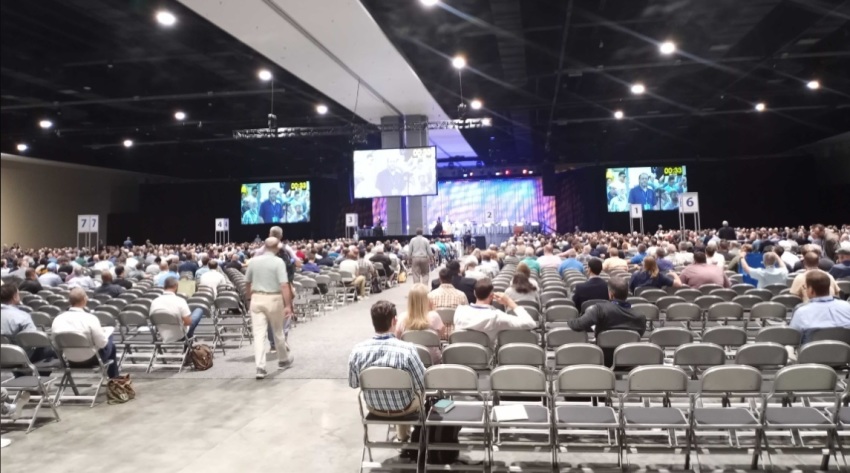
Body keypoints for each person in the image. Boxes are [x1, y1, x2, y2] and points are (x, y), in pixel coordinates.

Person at [349, 300, 425, 442]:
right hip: (405, 407)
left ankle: (402, 436)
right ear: (394, 320)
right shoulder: (407, 350)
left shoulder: (357, 351)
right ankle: (409, 436)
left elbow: (354, 383)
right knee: (416, 391)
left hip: (374, 407)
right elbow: (422, 383)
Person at [568, 277, 647, 366]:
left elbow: (578, 325)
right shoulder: (640, 316)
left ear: (611, 294)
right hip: (629, 361)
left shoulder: (600, 309)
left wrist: (569, 320)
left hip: (602, 359)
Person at [245, 237, 294, 379]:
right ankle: (283, 360)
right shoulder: (278, 262)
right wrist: (288, 305)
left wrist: (249, 298)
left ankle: (260, 367)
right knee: (278, 331)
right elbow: (284, 285)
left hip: (257, 298)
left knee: (258, 335)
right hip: (274, 299)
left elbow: (247, 282)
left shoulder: (253, 261)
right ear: (277, 248)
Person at [52, 288, 119, 379]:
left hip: (69, 360)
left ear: (70, 301)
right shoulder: (90, 318)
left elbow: (56, 345)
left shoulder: (57, 319)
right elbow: (102, 343)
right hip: (93, 359)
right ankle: (114, 379)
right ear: (84, 300)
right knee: (110, 339)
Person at [453, 278, 537, 348]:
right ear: (491, 295)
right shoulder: (496, 316)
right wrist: (509, 301)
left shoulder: (459, 311)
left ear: (474, 293)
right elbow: (530, 323)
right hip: (484, 360)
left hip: (458, 359)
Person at [790, 271, 850, 344]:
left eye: (805, 287)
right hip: (845, 354)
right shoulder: (847, 307)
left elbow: (793, 338)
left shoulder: (800, 312)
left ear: (811, 290)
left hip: (810, 355)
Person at [1, 285, 54, 363]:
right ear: (14, 297)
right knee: (52, 348)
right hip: (21, 357)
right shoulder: (22, 316)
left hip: (3, 356)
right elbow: (34, 340)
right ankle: (36, 374)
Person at [395, 284, 445, 363]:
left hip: (410, 359)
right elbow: (441, 335)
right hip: (433, 360)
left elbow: (397, 339)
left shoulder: (402, 318)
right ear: (426, 300)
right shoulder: (434, 316)